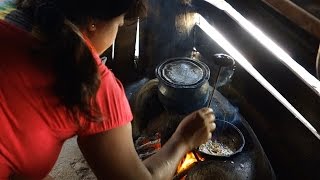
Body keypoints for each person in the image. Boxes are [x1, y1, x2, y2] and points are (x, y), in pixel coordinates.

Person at [0, 0, 216, 179]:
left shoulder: (7, 14)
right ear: (93, 22)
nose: (116, 33)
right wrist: (184, 139)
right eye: (120, 23)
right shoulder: (93, 83)